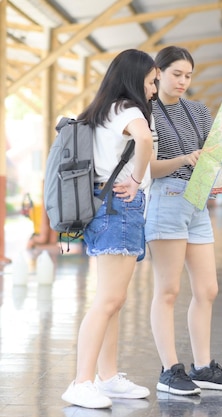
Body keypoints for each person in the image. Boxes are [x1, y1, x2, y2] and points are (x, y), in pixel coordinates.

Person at [146, 45, 222, 395]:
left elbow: (213, 157)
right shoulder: (146, 113)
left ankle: (203, 367)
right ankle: (169, 370)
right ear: (157, 72)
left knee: (208, 289)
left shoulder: (200, 112)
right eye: (176, 74)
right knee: (169, 289)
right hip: (166, 197)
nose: (183, 82)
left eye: (188, 76)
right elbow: (147, 169)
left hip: (197, 201)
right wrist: (185, 158)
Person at [61, 49, 157, 409]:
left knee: (113, 301)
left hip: (108, 206)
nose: (153, 90)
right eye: (151, 82)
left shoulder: (106, 110)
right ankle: (81, 381)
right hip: (120, 207)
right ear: (135, 80)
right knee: (108, 300)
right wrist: (135, 179)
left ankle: (108, 377)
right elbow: (145, 142)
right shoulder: (129, 110)